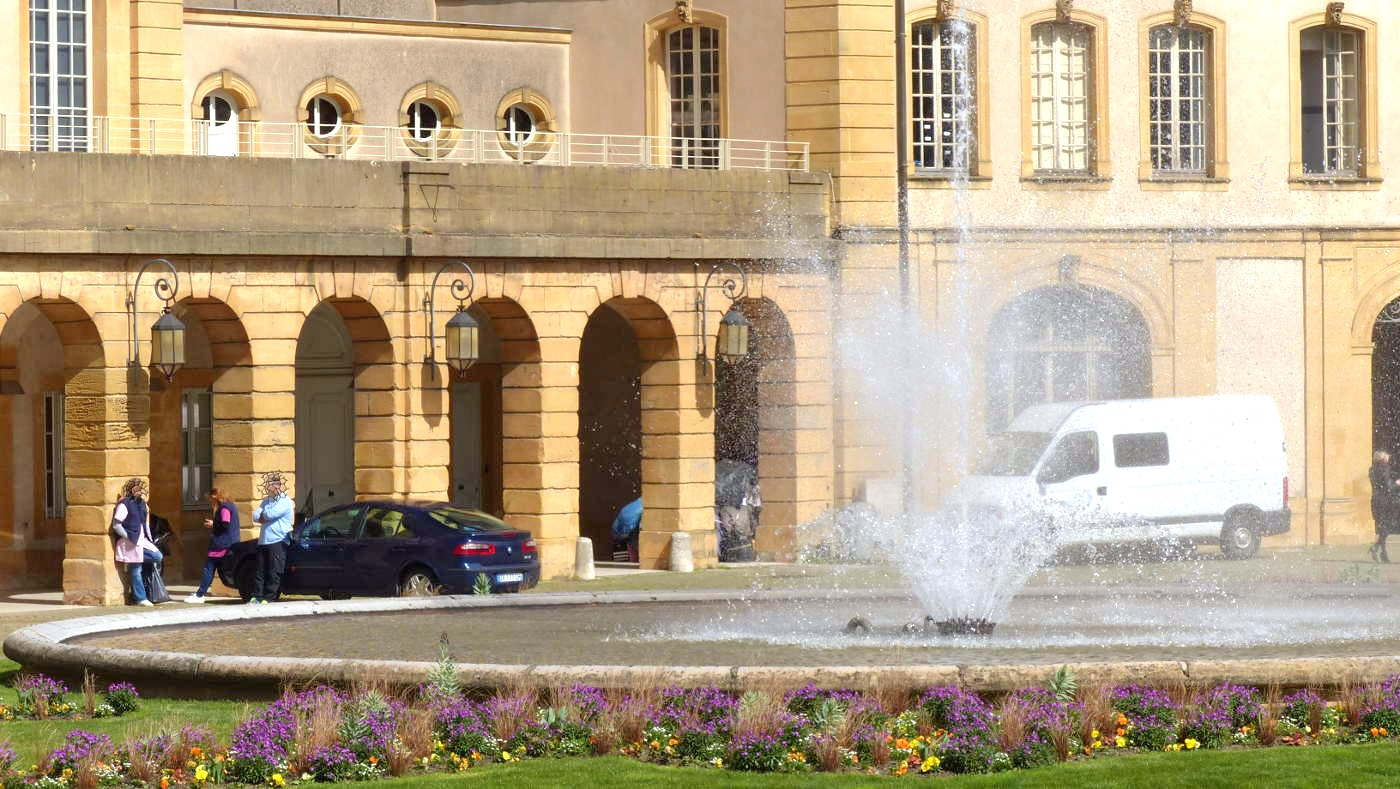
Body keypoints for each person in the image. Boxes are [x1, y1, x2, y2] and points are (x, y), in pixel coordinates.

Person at [110, 478, 163, 607]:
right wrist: (128, 536)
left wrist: (150, 540)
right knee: (136, 568)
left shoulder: (143, 504)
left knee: (157, 556)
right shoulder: (124, 504)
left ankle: (139, 594)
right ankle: (140, 598)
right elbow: (116, 524)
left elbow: (145, 524)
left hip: (142, 541)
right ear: (131, 489)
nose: (139, 491)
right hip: (130, 542)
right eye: (136, 488)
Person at [184, 488, 241, 603]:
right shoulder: (231, 505)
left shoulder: (224, 507)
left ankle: (200, 595)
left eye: (210, 499)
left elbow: (225, 523)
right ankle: (201, 593)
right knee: (225, 572)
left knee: (209, 568)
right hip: (229, 543)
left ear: (215, 496)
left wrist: (213, 524)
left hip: (222, 544)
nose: (210, 502)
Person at [249, 471, 295, 604]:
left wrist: (263, 516)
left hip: (278, 541)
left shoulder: (285, 501)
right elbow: (255, 516)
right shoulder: (266, 501)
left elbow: (268, 515)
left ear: (277, 485)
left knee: (274, 571)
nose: (266, 487)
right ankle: (257, 596)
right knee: (260, 571)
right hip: (263, 541)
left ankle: (269, 597)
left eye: (268, 485)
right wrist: (263, 516)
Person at [1372, 451, 1399, 563]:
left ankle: (1380, 551)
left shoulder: (1372, 469)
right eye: (1387, 456)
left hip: (1376, 500)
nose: (1389, 458)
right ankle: (1378, 549)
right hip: (1387, 501)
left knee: (1383, 526)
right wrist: (1397, 483)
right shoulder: (1384, 468)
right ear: (1383, 458)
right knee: (1389, 525)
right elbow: (1388, 486)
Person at [611, 497, 643, 563]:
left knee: (633, 559)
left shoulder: (636, 504)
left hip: (628, 537)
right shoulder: (647, 506)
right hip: (636, 536)